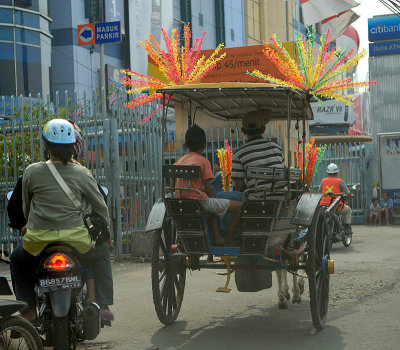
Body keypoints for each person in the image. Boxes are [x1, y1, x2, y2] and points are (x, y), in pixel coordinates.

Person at [9, 119, 114, 323]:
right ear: (73, 146)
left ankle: (28, 309)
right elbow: (101, 208)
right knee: (101, 253)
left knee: (16, 259)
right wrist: (106, 234)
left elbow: (26, 207)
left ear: (46, 146)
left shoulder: (31, 171)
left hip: (38, 242)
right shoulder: (83, 173)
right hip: (77, 241)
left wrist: (30, 225)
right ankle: (103, 305)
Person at [174, 124, 242, 245]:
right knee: (239, 206)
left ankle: (217, 237)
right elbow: (209, 189)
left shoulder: (179, 161)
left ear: (186, 145)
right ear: (204, 145)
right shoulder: (204, 161)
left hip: (181, 202)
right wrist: (211, 198)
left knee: (212, 206)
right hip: (200, 202)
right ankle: (229, 238)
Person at [319, 163, 352, 233]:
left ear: (327, 172)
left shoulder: (323, 181)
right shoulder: (340, 181)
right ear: (337, 173)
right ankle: (347, 228)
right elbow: (348, 193)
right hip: (336, 206)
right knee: (348, 210)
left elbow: (319, 193)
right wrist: (349, 196)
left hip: (323, 206)